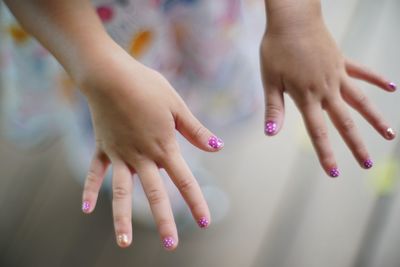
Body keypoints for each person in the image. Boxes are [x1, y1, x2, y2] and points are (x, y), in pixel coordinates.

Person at [2, 0, 396, 251]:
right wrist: (100, 72)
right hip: (85, 34)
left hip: (197, 12)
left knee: (191, 96)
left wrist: (297, 19)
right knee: (129, 136)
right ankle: (155, 192)